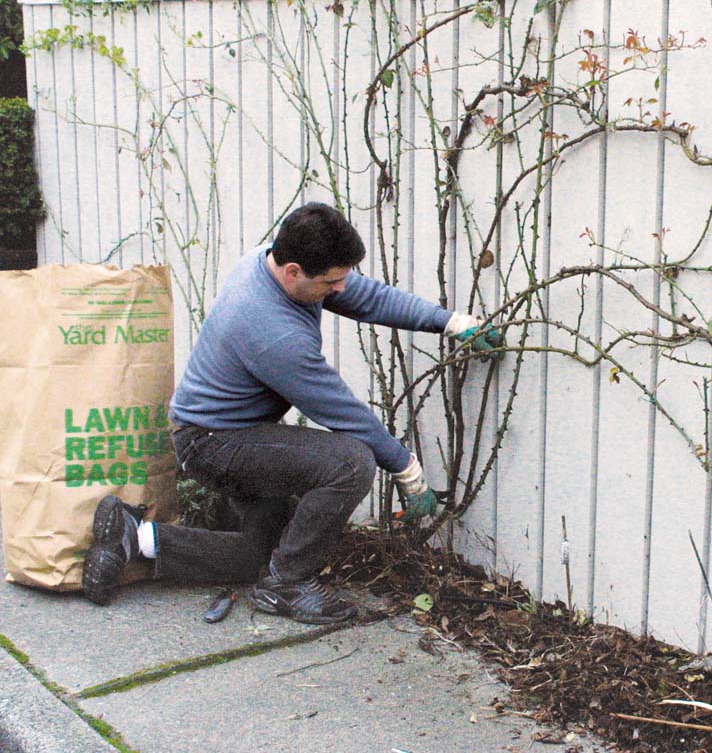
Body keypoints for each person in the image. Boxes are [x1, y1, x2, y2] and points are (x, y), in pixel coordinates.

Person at [80, 202, 501, 624]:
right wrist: (406, 469)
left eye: (342, 277)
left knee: (259, 554)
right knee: (350, 463)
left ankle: (135, 537)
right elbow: (341, 411)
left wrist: (451, 323)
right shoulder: (270, 330)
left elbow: (368, 297)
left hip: (233, 431)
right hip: (214, 444)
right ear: (293, 271)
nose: (340, 289)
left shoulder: (273, 262)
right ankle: (288, 586)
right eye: (331, 281)